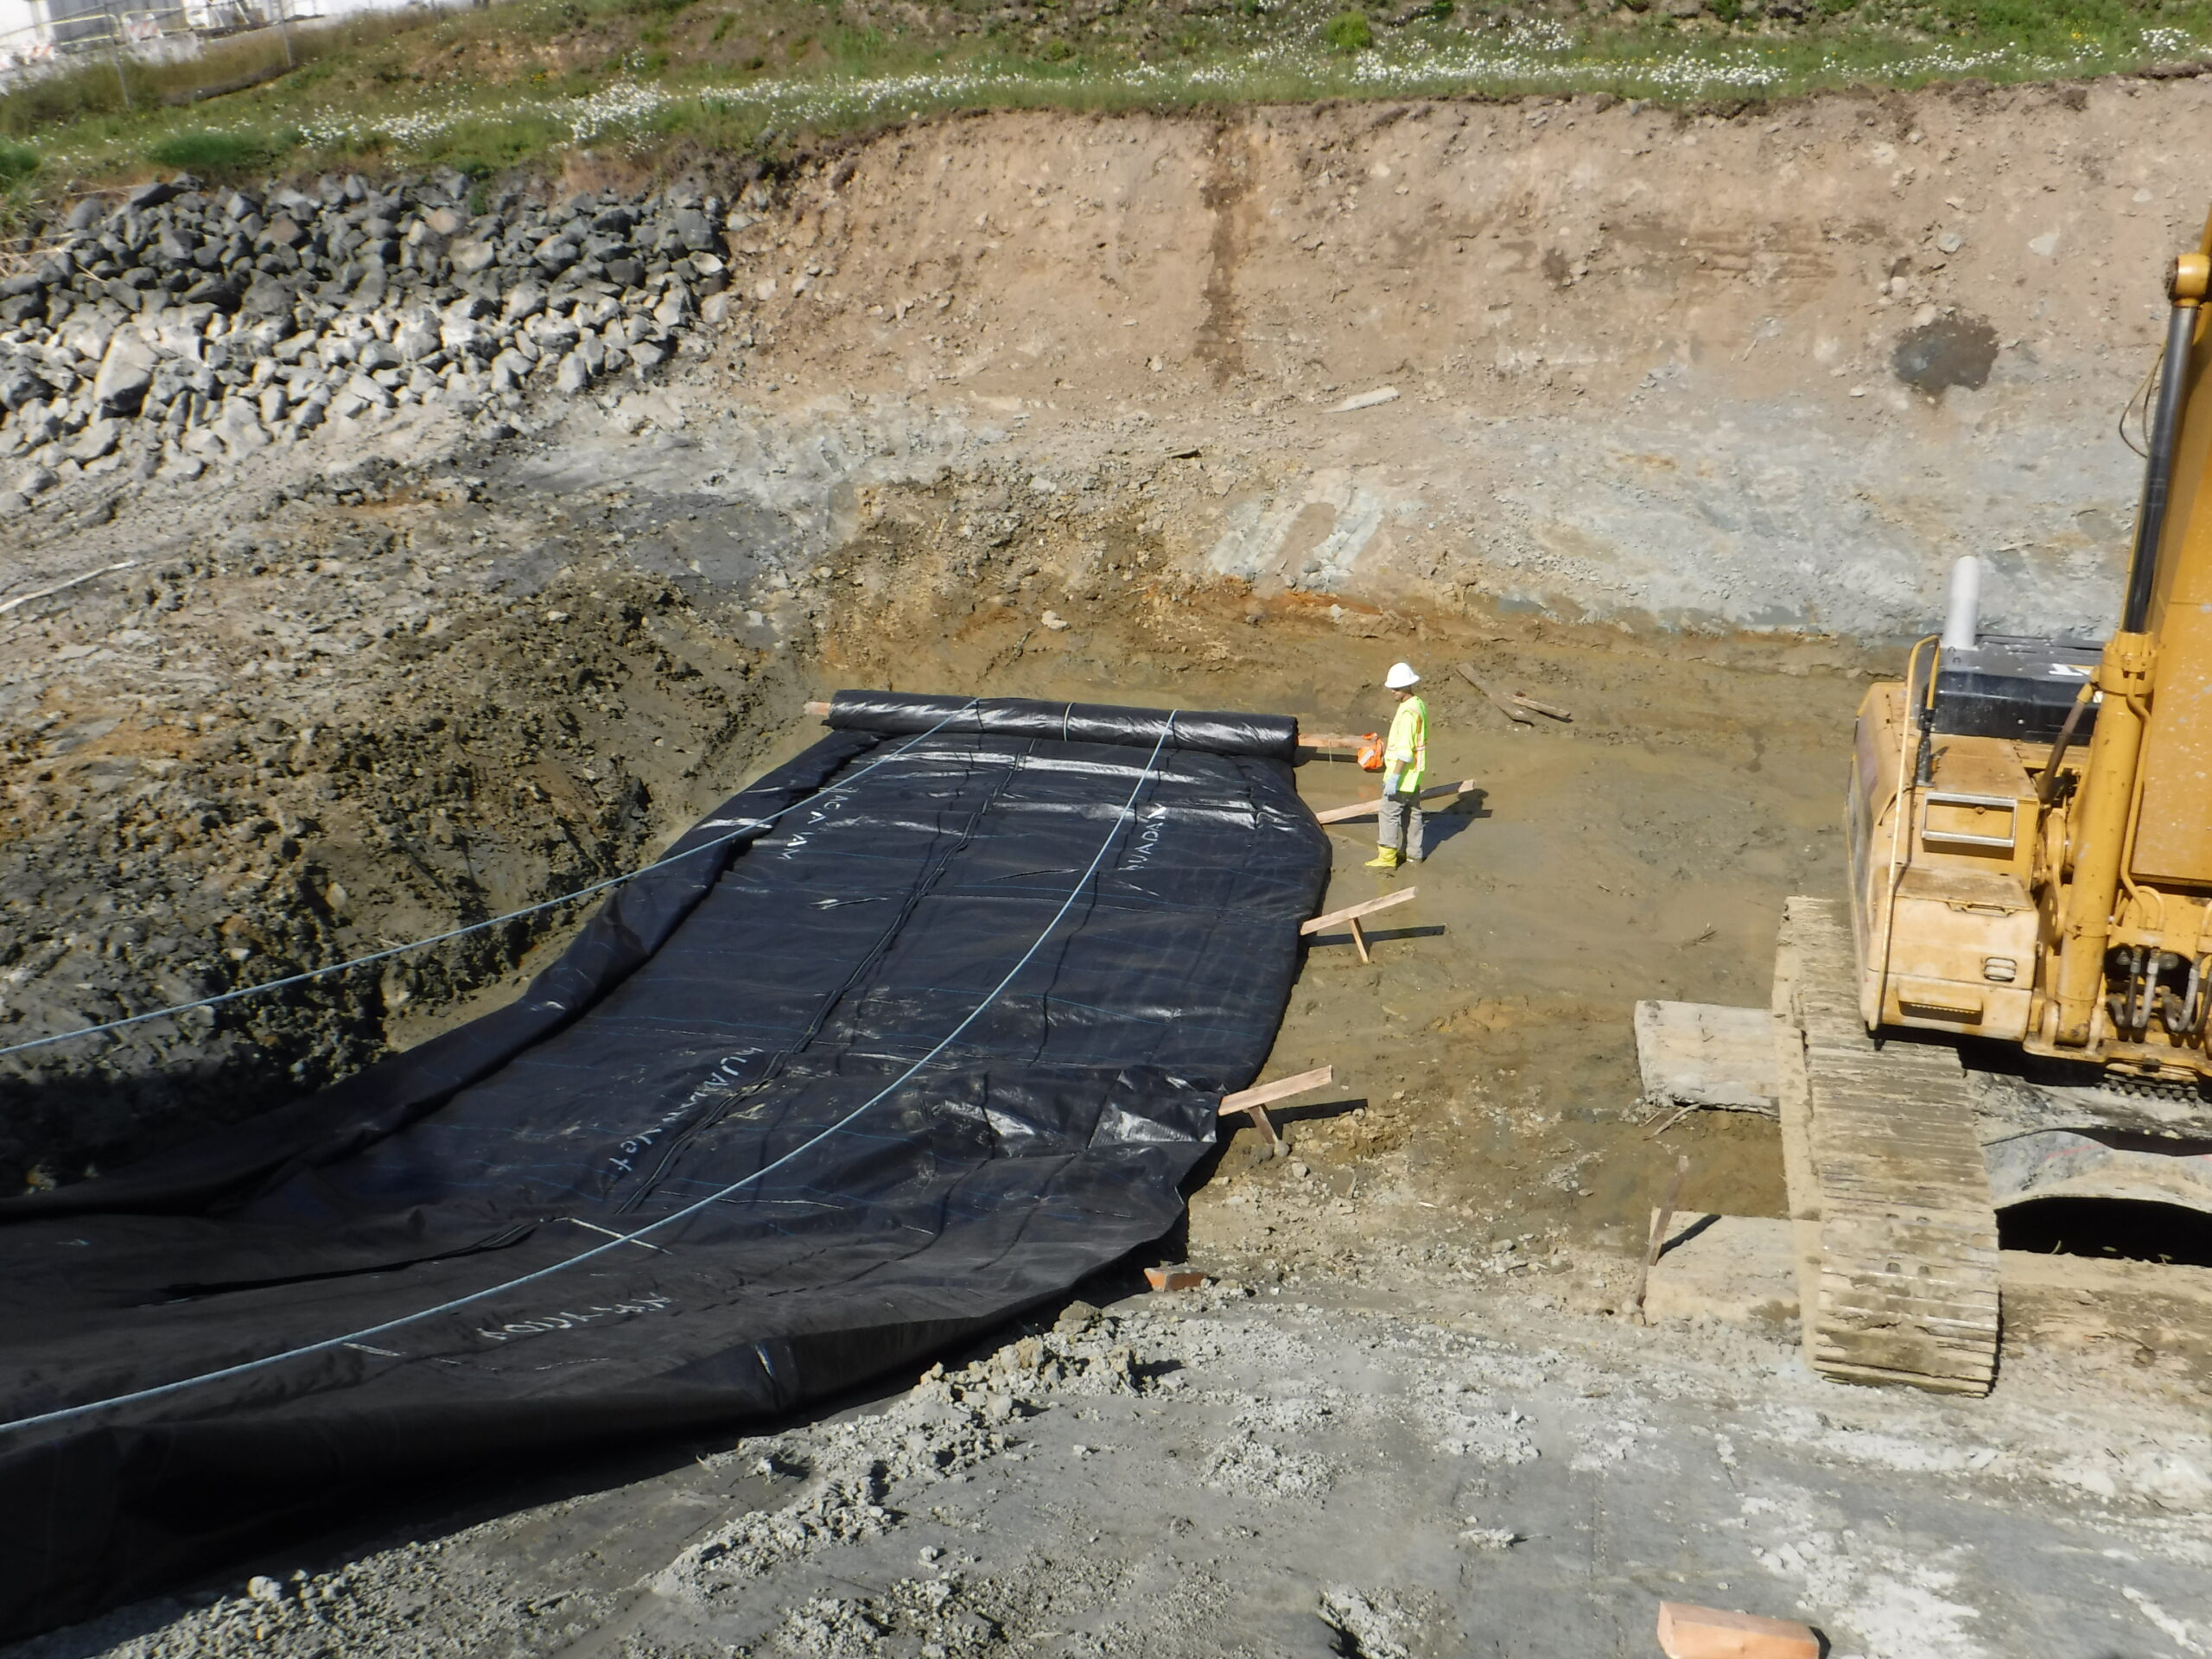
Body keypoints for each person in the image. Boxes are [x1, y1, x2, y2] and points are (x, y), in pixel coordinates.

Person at [1366, 662, 1427, 870]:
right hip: (1414, 775)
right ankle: (1414, 854)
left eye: (1396, 688)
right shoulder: (1417, 704)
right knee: (1413, 812)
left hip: (1402, 774)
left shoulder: (1408, 713)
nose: (1392, 691)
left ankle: (1387, 856)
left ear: (1407, 687)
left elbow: (1405, 750)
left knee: (1388, 813)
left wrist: (1394, 776)